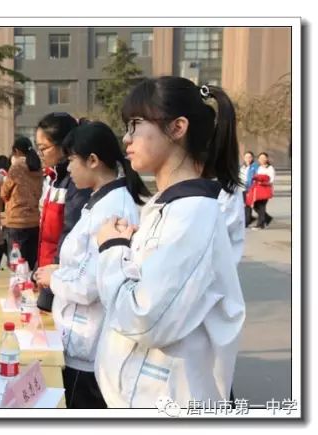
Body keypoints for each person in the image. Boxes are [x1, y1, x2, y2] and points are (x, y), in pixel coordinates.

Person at [94, 77, 246, 408]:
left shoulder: (192, 214)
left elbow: (146, 319)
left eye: (135, 124)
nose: (126, 138)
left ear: (177, 128)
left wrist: (112, 249)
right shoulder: (170, 207)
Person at [33, 121, 149, 408]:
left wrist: (54, 279)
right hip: (78, 334)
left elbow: (91, 285)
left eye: (72, 160)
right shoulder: (99, 202)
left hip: (88, 344)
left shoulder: (114, 209)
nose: (69, 168)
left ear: (93, 161)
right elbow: (86, 263)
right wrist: (59, 271)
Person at [34, 113, 92, 312]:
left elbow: (70, 232)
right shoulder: (53, 178)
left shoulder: (75, 181)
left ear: (63, 145)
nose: (40, 154)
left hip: (61, 276)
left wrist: (55, 273)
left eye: (44, 148)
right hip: (48, 273)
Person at [0, 136, 44, 270]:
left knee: (17, 266)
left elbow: (4, 192)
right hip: (34, 220)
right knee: (31, 264)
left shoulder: (16, 167)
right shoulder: (37, 167)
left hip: (16, 221)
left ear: (17, 151)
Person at [249, 152, 276, 230]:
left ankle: (260, 225)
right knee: (255, 206)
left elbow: (271, 180)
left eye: (264, 158)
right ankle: (267, 218)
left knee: (261, 207)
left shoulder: (270, 168)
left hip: (265, 189)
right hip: (257, 190)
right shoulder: (259, 167)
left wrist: (262, 182)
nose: (262, 159)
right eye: (260, 158)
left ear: (267, 159)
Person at [239, 151, 258, 227]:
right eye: (246, 157)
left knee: (248, 205)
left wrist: (252, 186)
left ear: (252, 158)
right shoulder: (242, 166)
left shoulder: (255, 166)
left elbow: (256, 177)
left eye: (249, 157)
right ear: (244, 158)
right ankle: (248, 219)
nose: (248, 158)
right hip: (241, 188)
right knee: (243, 205)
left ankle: (247, 221)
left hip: (249, 188)